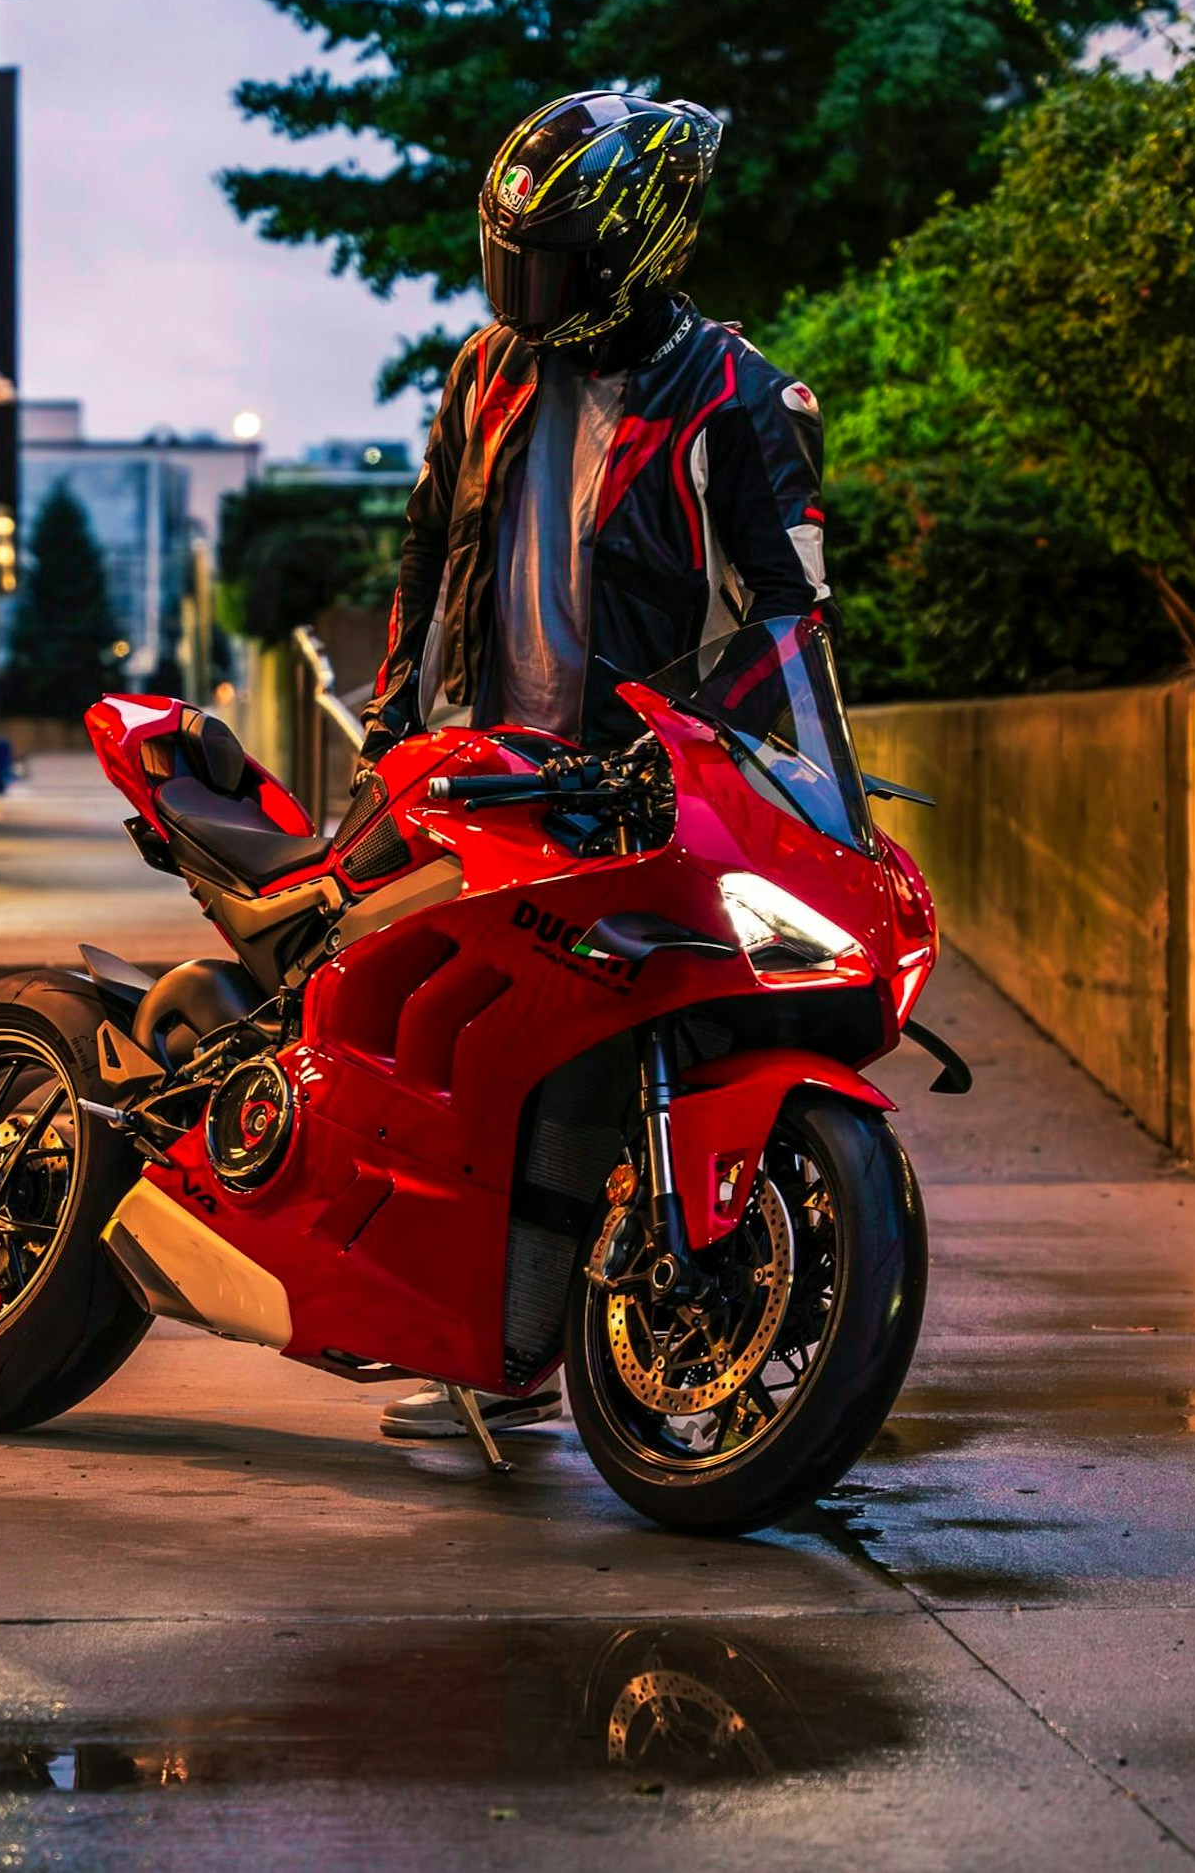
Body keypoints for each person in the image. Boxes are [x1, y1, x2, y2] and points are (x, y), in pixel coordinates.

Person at [363, 90, 829, 1444]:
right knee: (424, 1046)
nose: (521, 289)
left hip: (624, 787)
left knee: (577, 1072)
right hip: (470, 768)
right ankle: (438, 1330)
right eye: (508, 257)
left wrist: (751, 771)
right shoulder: (484, 371)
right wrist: (392, 717)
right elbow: (424, 543)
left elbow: (791, 615)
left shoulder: (740, 397)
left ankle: (513, 1357)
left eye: (551, 263)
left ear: (639, 251)